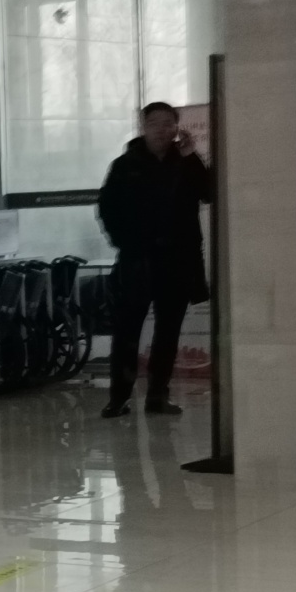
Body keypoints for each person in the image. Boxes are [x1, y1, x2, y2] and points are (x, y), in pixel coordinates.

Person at [98, 102, 212, 419]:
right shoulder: (125, 165)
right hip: (138, 260)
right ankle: (119, 398)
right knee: (127, 331)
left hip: (178, 260)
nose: (161, 130)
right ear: (143, 127)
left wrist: (192, 157)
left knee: (168, 332)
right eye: (154, 123)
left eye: (167, 123)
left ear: (176, 127)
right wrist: (124, 242)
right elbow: (107, 208)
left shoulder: (185, 161)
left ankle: (158, 397)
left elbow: (209, 193)